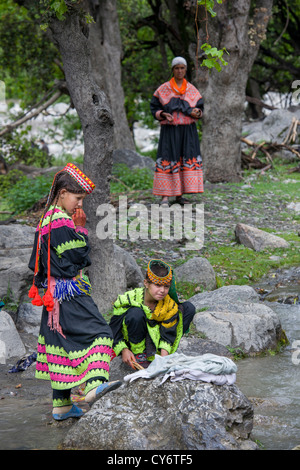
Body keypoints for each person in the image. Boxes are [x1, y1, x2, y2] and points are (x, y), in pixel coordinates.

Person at [28, 163, 121, 421]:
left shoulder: (45, 219)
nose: (79, 205)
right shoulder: (60, 220)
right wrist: (80, 229)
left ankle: (62, 406)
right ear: (63, 193)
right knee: (101, 332)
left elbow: (34, 263)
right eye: (77, 198)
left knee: (61, 345)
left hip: (52, 295)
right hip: (69, 292)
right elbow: (78, 255)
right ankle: (94, 386)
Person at [109, 259, 195, 369]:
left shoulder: (168, 304)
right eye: (158, 285)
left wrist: (164, 360)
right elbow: (114, 327)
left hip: (158, 339)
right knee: (135, 313)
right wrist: (124, 349)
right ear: (146, 283)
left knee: (188, 308)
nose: (162, 291)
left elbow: (169, 329)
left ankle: (159, 353)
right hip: (134, 339)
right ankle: (140, 355)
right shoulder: (129, 299)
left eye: (166, 286)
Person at [150, 56, 204, 207]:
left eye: (182, 68)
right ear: (172, 70)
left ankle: (179, 195)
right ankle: (165, 196)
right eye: (177, 68)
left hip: (188, 131)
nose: (180, 71)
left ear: (186, 70)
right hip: (170, 130)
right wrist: (163, 114)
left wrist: (197, 113)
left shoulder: (192, 89)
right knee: (168, 158)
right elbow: (154, 107)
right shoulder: (163, 89)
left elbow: (200, 108)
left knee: (183, 160)